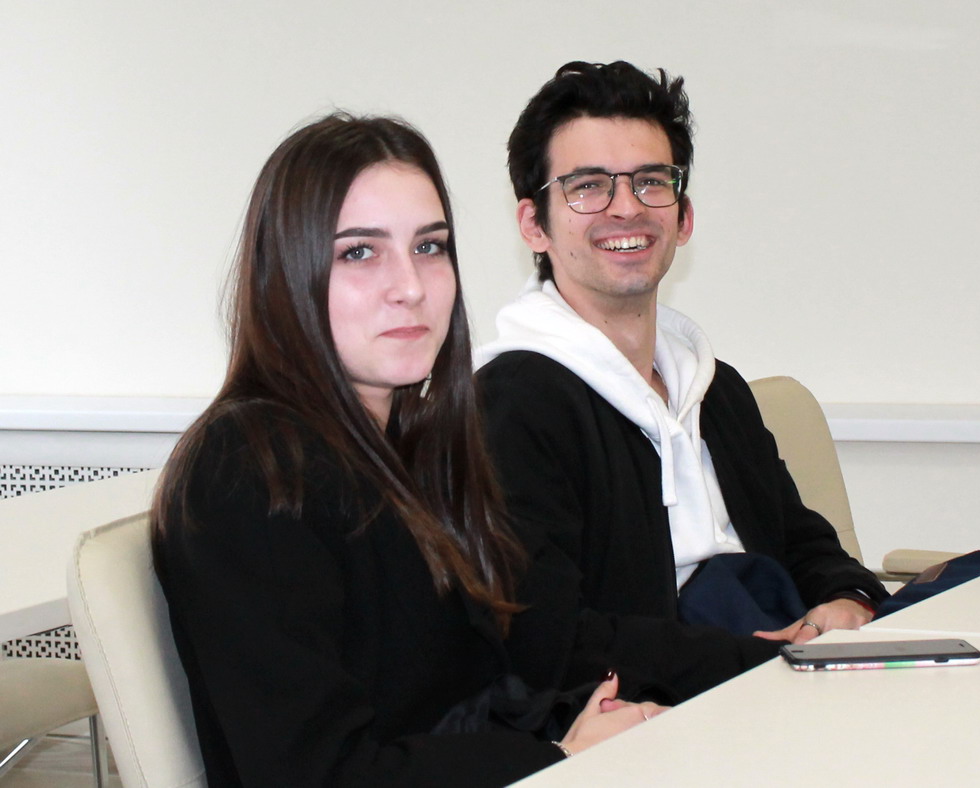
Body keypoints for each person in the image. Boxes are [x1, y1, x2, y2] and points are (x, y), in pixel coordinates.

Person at [151, 112, 663, 788]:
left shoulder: (414, 443)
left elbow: (477, 691)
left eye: (429, 247)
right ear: (289, 274)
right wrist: (560, 759)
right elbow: (316, 774)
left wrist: (594, 723)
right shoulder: (249, 470)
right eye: (359, 253)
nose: (412, 287)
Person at [476, 61, 889, 699]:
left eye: (651, 182)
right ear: (534, 223)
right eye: (588, 186)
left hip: (777, 685)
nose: (626, 208)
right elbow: (546, 640)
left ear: (684, 216)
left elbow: (802, 541)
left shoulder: (716, 389)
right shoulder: (511, 404)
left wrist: (848, 599)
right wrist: (762, 660)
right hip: (646, 718)